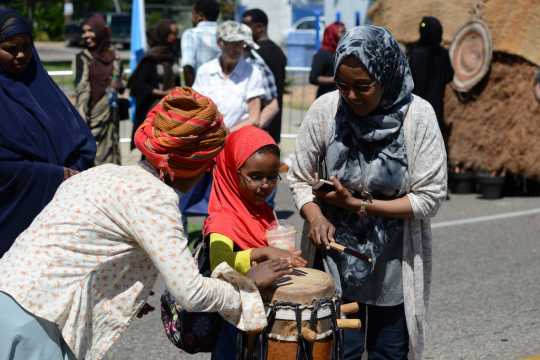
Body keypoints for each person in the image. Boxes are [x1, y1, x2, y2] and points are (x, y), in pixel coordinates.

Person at [0, 87, 292, 360]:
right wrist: (248, 285)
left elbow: (77, 253)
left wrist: (127, 292)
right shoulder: (155, 198)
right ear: (193, 164)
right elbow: (190, 293)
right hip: (36, 320)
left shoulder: (99, 174)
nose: (207, 174)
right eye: (207, 166)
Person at [287, 26, 447, 359]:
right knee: (336, 352)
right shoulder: (325, 111)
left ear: (386, 75)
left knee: (389, 351)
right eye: (342, 85)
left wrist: (358, 204)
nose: (352, 96)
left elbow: (428, 198)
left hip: (393, 267)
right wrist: (315, 214)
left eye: (362, 87)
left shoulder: (418, 117)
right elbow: (300, 178)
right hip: (333, 268)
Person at [203, 125, 307, 359]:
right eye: (255, 177)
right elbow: (219, 263)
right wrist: (260, 252)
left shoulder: (260, 209)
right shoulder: (223, 218)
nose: (265, 185)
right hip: (234, 322)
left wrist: (285, 256)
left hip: (260, 315)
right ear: (232, 172)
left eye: (272, 177)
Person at [0, 8, 96, 258]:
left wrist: (75, 172)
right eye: (10, 48)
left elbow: (81, 140)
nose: (21, 55)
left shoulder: (40, 85)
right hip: (11, 230)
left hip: (60, 224)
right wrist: (53, 176)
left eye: (27, 46)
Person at [193, 20, 265, 131]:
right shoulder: (205, 72)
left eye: (240, 43)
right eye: (232, 43)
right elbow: (195, 108)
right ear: (220, 43)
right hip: (206, 138)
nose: (237, 48)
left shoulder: (253, 73)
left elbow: (254, 119)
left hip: (237, 139)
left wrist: (227, 134)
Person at [74, 14, 122, 165]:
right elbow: (81, 89)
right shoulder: (83, 58)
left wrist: (116, 83)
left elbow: (119, 78)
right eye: (84, 31)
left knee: (111, 161)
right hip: (91, 119)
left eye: (90, 31)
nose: (86, 35)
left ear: (100, 31)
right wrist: (82, 121)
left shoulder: (114, 56)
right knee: (93, 161)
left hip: (111, 119)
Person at [128, 19, 180, 148]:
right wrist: (161, 93)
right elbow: (137, 84)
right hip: (153, 110)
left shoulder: (173, 55)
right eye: (171, 33)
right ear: (163, 34)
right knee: (152, 147)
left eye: (176, 33)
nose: (174, 37)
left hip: (171, 110)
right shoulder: (150, 58)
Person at [408, 16, 453, 150]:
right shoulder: (443, 55)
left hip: (414, 109)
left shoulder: (414, 52)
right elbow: (450, 76)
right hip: (435, 109)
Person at [242, 8, 287, 143]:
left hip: (259, 122)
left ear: (260, 27)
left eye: (247, 25)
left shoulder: (255, 55)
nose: (243, 29)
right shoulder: (278, 51)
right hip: (272, 123)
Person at [181, 0, 220, 87]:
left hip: (202, 90)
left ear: (200, 16)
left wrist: (192, 94)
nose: (192, 18)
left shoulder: (191, 34)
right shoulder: (224, 33)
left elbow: (188, 66)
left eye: (193, 14)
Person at [309, 21, 346, 99]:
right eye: (341, 32)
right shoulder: (322, 54)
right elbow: (313, 78)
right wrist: (335, 80)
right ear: (332, 34)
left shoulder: (343, 53)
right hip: (325, 98)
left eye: (344, 31)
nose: (344, 35)